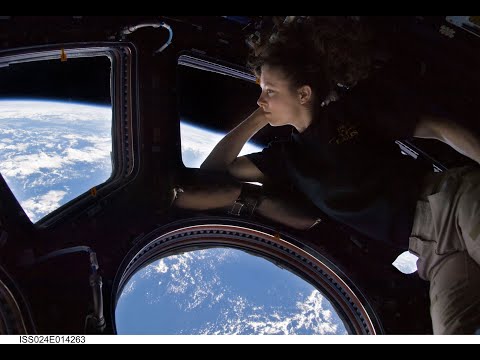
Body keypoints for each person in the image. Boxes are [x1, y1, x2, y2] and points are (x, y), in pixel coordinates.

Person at [173, 16, 480, 334]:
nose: (261, 100)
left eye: (270, 91)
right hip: (432, 252)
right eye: (261, 90)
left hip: (453, 203)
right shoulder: (287, 158)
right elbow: (211, 173)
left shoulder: (353, 111)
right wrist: (255, 120)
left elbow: (439, 129)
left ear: (303, 94)